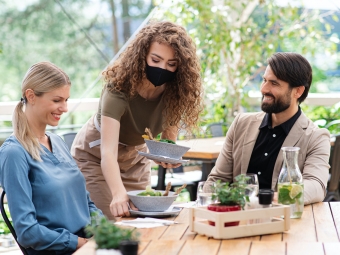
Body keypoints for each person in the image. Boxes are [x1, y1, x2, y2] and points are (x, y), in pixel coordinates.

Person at [71, 21, 202, 219]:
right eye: (156, 60)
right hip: (97, 157)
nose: (162, 68)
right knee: (111, 221)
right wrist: (118, 194)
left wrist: (166, 157)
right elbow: (108, 152)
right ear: (142, 55)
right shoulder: (119, 87)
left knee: (142, 222)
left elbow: (166, 143)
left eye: (171, 64)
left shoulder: (175, 92)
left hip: (135, 159)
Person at [0, 62, 103, 255]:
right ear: (31, 96)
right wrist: (80, 243)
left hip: (87, 245)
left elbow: (85, 202)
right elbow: (28, 232)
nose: (64, 108)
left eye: (66, 100)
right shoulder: (14, 153)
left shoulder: (58, 141)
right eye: (57, 100)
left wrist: (105, 229)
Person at [206, 52, 330, 205]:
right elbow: (217, 180)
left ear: (298, 91)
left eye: (274, 83)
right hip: (237, 221)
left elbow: (316, 186)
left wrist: (273, 199)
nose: (264, 89)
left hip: (285, 221)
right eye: (264, 80)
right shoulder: (241, 124)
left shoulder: (316, 137)